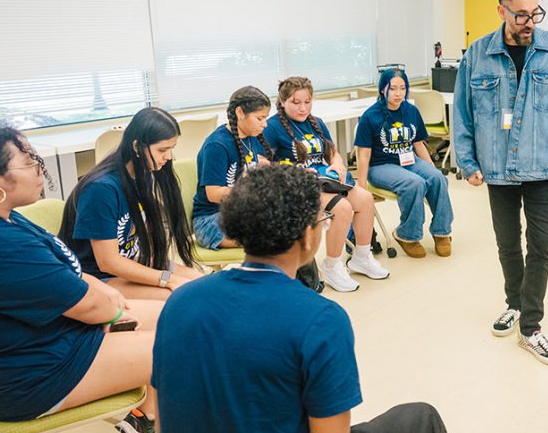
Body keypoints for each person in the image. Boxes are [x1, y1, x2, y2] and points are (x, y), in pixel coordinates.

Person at [151, 165, 474, 433]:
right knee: (423, 425)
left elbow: (165, 425)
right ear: (308, 236)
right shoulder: (319, 320)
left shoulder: (180, 302)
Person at [0, 125, 159, 433]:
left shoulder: (2, 216)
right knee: (180, 342)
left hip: (54, 335)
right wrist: (106, 306)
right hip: (35, 375)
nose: (40, 170)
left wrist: (102, 297)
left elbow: (68, 270)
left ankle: (146, 416)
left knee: (175, 313)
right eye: (29, 164)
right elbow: (93, 308)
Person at [454, 0, 548, 366]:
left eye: (536, 13)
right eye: (522, 15)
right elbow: (462, 114)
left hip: (543, 167)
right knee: (507, 244)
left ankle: (530, 327)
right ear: (502, 11)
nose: (530, 22)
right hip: (496, 168)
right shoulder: (477, 55)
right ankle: (514, 302)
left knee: (540, 246)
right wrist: (467, 162)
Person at [60, 107, 204, 300]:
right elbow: (108, 263)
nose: (168, 157)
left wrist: (166, 274)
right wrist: (167, 279)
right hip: (95, 277)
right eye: (162, 150)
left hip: (129, 263)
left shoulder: (140, 175)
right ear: (137, 147)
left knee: (201, 282)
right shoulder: (101, 189)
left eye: (172, 148)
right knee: (184, 297)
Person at [264, 76, 389, 292]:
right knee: (342, 208)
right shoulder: (273, 127)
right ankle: (332, 265)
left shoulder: (316, 122)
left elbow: (332, 152)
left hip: (325, 181)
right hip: (297, 187)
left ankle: (361, 256)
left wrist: (339, 163)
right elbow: (264, 164)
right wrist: (295, 171)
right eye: (296, 103)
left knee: (365, 199)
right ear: (282, 102)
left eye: (307, 102)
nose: (303, 108)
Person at [355, 68, 453, 259]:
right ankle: (407, 235)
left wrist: (431, 168)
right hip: (381, 165)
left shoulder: (411, 111)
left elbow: (418, 144)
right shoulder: (370, 116)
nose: (398, 93)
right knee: (414, 183)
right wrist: (361, 186)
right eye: (393, 89)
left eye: (402, 88)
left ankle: (441, 232)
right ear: (383, 89)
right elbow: (363, 155)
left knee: (437, 178)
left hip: (409, 159)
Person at [191, 85, 274, 250]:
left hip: (240, 212)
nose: (265, 124)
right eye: (260, 118)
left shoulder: (250, 136)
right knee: (273, 241)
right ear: (240, 113)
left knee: (291, 226)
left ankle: (305, 277)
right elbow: (213, 194)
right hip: (210, 221)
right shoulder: (217, 145)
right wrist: (253, 191)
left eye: (265, 118)